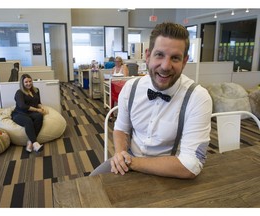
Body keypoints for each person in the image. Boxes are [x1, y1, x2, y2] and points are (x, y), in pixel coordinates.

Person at [90, 22, 212, 179]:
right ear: (148, 56)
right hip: (128, 163)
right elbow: (121, 129)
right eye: (159, 55)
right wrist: (120, 153)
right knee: (90, 186)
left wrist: (132, 163)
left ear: (184, 61)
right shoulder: (130, 88)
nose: (166, 66)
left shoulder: (198, 98)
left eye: (175, 58)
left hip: (169, 172)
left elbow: (191, 165)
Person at [11, 73, 48, 153]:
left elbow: (38, 102)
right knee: (28, 121)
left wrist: (41, 107)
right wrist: (36, 110)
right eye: (26, 82)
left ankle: (30, 141)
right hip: (19, 113)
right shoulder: (19, 92)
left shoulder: (36, 90)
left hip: (30, 113)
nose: (28, 84)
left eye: (30, 81)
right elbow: (22, 106)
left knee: (39, 116)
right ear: (22, 83)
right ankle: (35, 144)